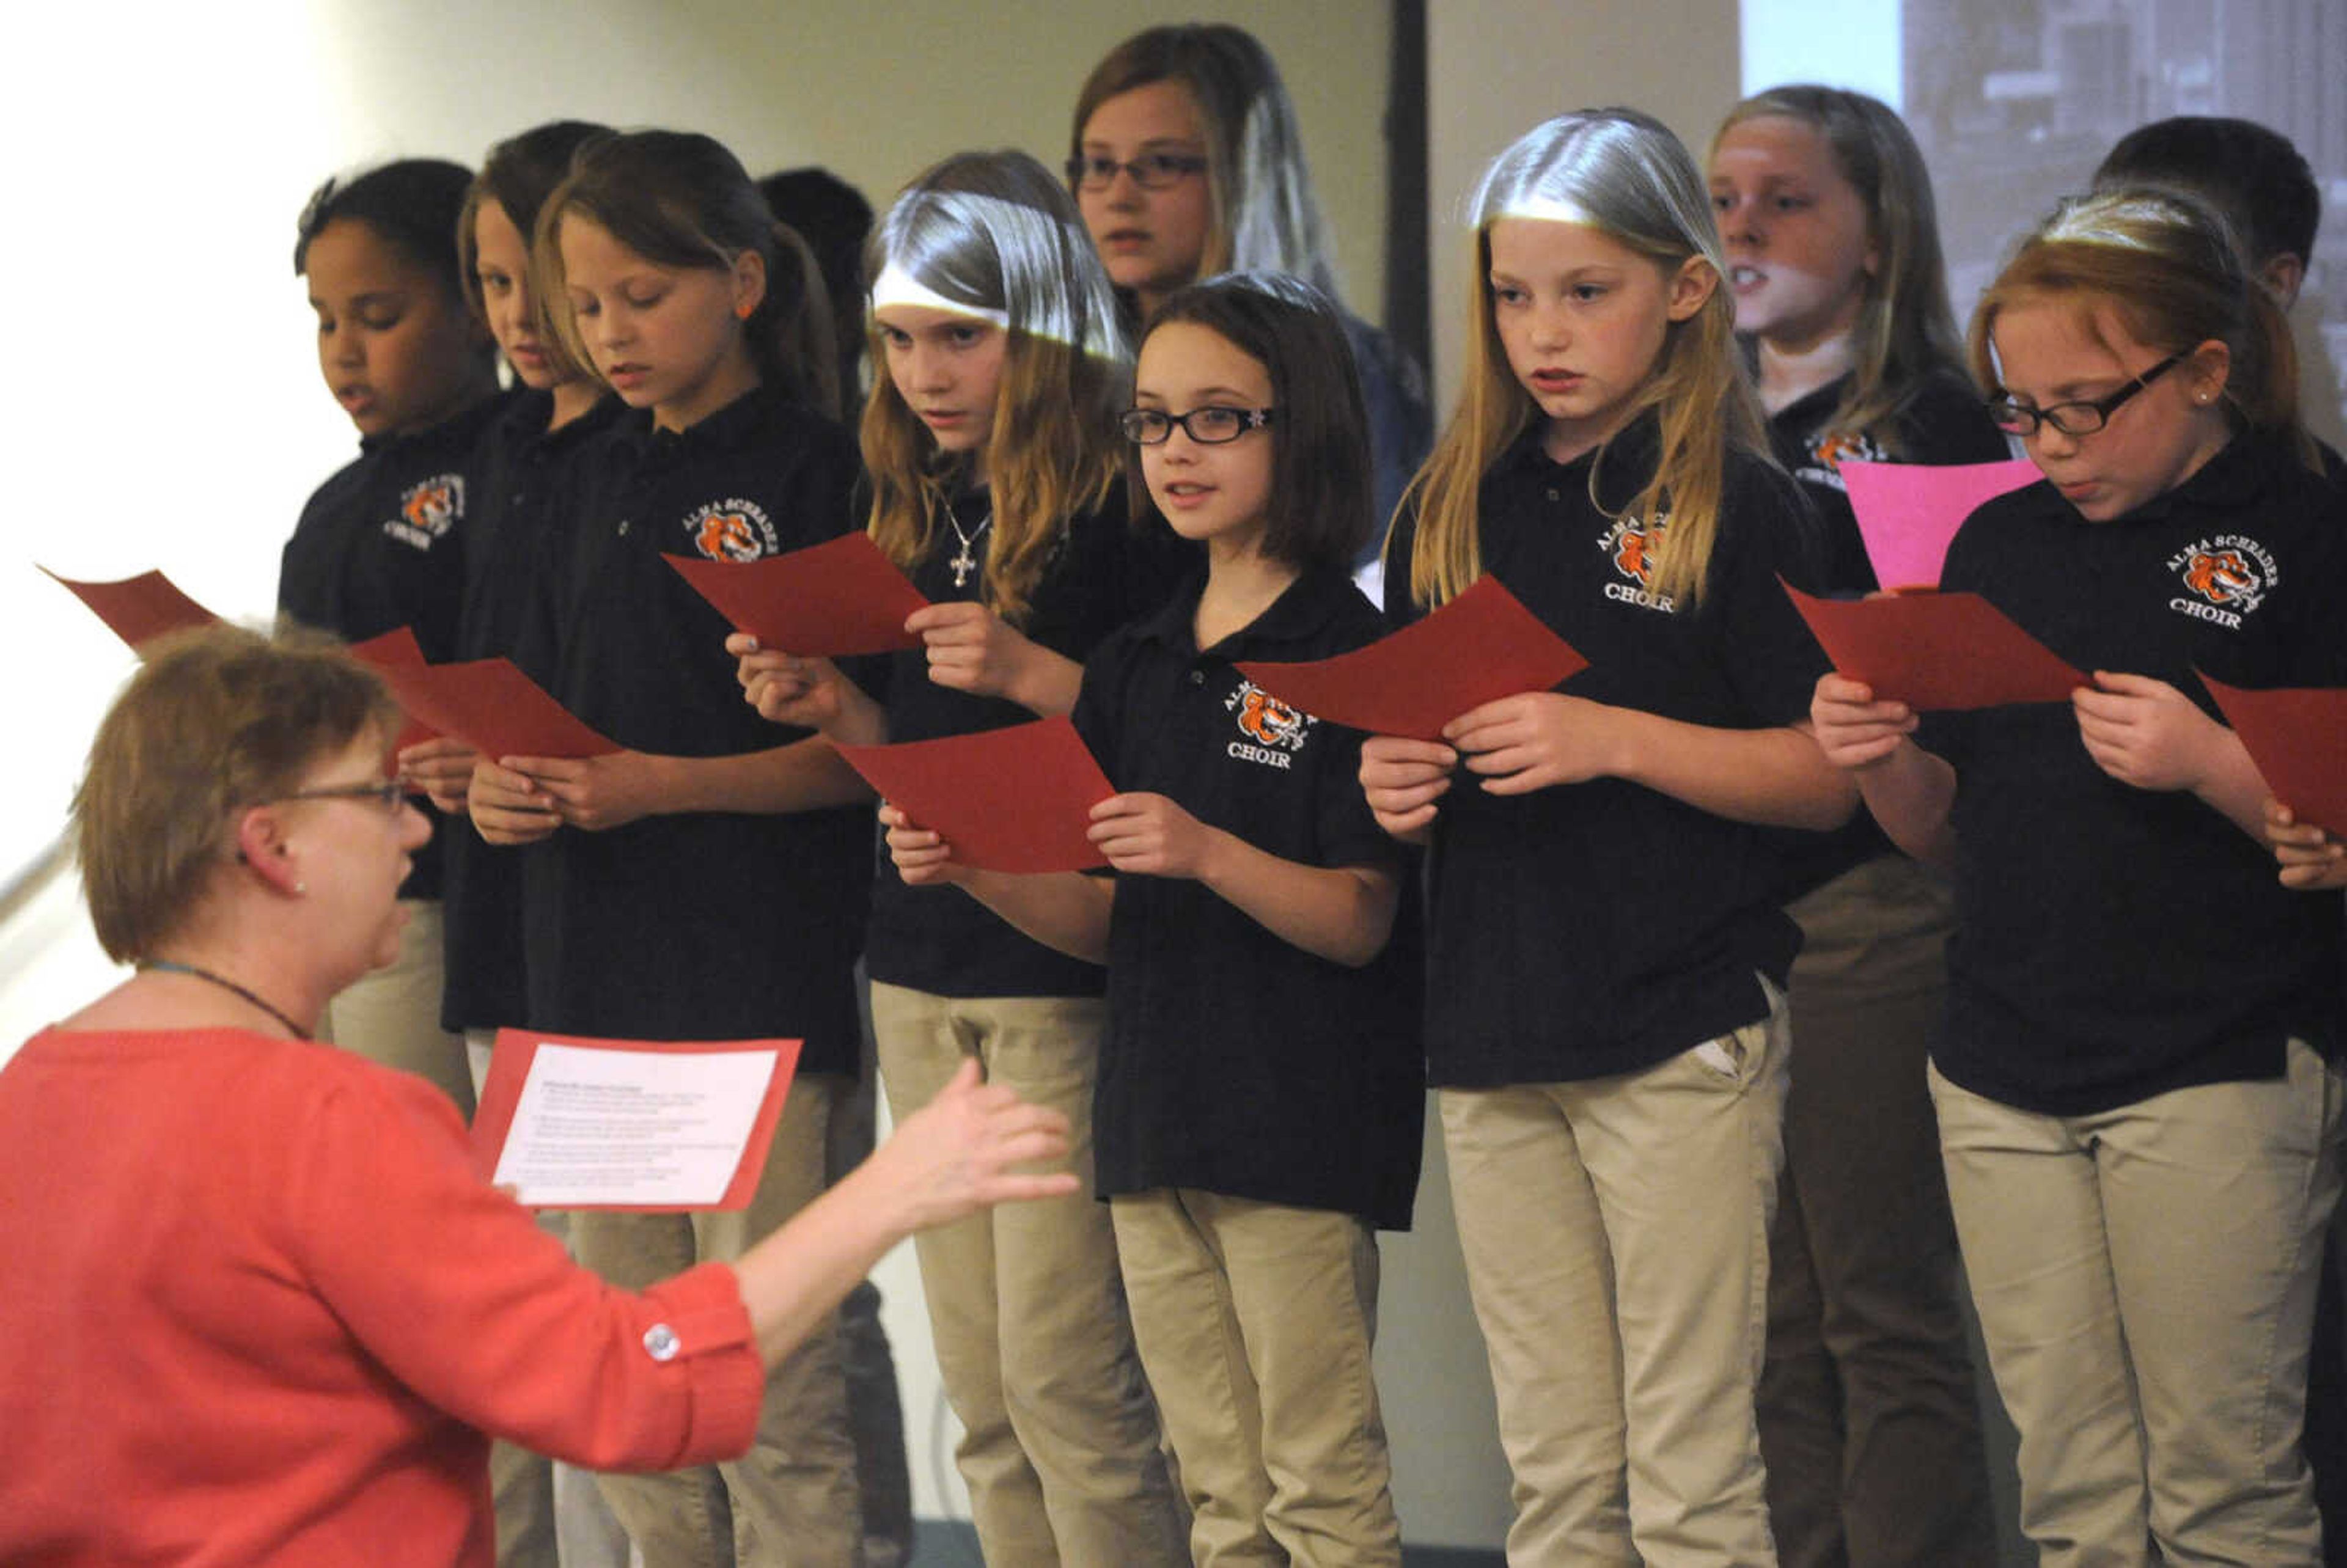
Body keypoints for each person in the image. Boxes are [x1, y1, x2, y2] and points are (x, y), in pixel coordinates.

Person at [0, 623, 1078, 1567]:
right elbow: (630, 1387)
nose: (419, 828)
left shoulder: (32, 1088)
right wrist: (894, 1187)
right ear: (270, 847)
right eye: (381, 796)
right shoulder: (334, 1121)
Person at [1810, 186, 2347, 1566]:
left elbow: (2327, 817)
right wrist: (1871, 755)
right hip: (1998, 1055)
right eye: (2018, 410)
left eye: (2084, 406)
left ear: (2206, 370)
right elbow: (1947, 826)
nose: (2048, 445)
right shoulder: (2000, 540)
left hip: (2213, 1056)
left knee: (2222, 1484)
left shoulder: (2306, 526)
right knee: (2071, 1488)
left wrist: (2210, 758)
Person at [1359, 108, 1854, 1566]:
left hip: (1678, 1024)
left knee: (1691, 1468)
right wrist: (1397, 783)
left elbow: (1823, 780)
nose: (1543, 332)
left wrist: (1608, 739)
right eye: (1512, 295)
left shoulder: (1741, 503)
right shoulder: (1450, 502)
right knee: (1558, 1471)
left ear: (1685, 289)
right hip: (1494, 1026)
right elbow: (1420, 746)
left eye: (1586, 292)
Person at [886, 271, 1425, 1565]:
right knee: (1218, 1488)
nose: (1178, 450)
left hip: (1292, 1124)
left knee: (1319, 1479)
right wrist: (972, 864)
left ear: (1303, 432)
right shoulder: (1136, 657)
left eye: (1219, 418)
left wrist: (1206, 850)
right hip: (1151, 1113)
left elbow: (1359, 917)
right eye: (1155, 419)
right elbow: (1100, 923)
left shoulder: (1353, 650)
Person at [730, 148, 1191, 1566]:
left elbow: (1182, 730)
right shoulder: (918, 500)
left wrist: (1038, 669)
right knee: (986, 1398)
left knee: (1072, 1388)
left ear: (1044, 323)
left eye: (960, 337)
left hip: (1057, 966)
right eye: (899, 338)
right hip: (920, 963)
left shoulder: (1126, 504)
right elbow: (928, 746)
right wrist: (842, 712)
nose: (926, 374)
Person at [466, 128, 871, 1566]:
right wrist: (503, 791)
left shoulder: (821, 468)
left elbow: (858, 757)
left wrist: (660, 786)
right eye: (587, 305)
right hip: (590, 978)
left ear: (744, 280)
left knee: (770, 1385)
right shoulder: (579, 472)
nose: (607, 332)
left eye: (643, 294)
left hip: (753, 980)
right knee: (629, 1380)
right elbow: (543, 714)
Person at [1708, 84, 2000, 1568]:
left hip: (1872, 898)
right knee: (1760, 1316)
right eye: (1720, 197)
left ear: (1878, 238)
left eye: (1786, 198)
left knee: (1874, 1302)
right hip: (1718, 908)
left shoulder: (1938, 424)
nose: (1742, 225)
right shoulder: (1688, 421)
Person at [281, 158, 502, 1116]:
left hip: (445, 882)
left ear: (478, 307)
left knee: (425, 1165)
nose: (344, 352)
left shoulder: (516, 463)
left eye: (377, 318)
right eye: (326, 322)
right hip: (320, 878)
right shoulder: (335, 501)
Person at [1068, 23, 1431, 559]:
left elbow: (1368, 577)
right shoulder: (1071, 368)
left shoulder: (1345, 368)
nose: (1119, 196)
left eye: (1163, 163)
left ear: (1242, 174)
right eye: (1099, 166)